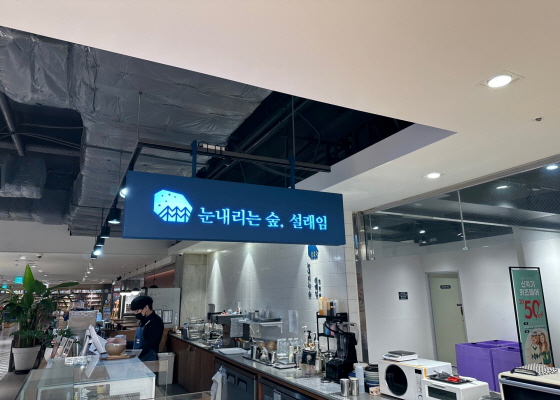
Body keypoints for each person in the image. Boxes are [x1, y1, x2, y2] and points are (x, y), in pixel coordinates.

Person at [107, 295, 164, 362]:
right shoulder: (143, 320)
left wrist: (131, 355)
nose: (136, 313)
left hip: (148, 360)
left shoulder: (156, 322)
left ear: (146, 307)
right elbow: (138, 343)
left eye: (137, 311)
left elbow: (147, 346)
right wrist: (118, 341)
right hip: (139, 358)